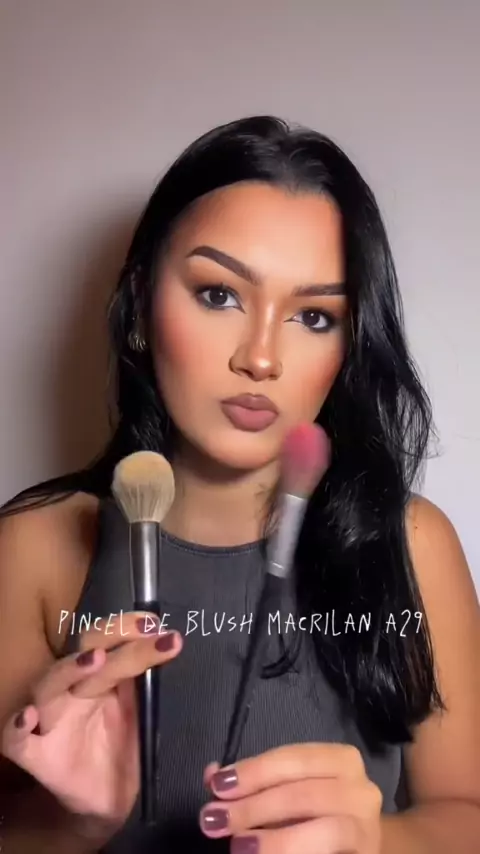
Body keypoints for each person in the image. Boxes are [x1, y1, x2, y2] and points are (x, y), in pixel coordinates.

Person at [0, 115, 478, 854]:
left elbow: (468, 814)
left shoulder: (411, 543)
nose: (261, 357)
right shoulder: (39, 545)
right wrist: (70, 824)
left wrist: (377, 844)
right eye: (219, 294)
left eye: (313, 316)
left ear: (349, 346)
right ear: (139, 307)